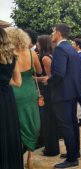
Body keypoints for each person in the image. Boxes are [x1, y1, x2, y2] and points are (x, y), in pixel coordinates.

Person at [42, 23, 81, 168]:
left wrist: (49, 80)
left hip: (62, 94)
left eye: (53, 31)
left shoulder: (60, 49)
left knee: (66, 125)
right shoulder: (71, 49)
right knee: (72, 123)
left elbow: (59, 74)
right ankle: (75, 152)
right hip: (72, 93)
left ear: (58, 33)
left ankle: (72, 158)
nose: (51, 34)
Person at [5, 27, 42, 168]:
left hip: (14, 91)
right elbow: (39, 71)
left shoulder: (9, 55)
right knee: (31, 119)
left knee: (17, 123)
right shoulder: (32, 54)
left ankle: (16, 155)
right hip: (30, 91)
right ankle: (30, 157)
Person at [0, 26, 23, 169]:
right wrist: (4, 79)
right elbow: (18, 82)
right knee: (8, 132)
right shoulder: (12, 56)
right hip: (8, 99)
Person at [36, 35, 60, 156]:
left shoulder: (45, 58)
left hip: (47, 91)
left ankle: (51, 149)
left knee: (48, 120)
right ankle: (51, 147)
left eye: (38, 43)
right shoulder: (50, 55)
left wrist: (35, 78)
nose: (37, 45)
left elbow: (49, 78)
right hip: (48, 91)